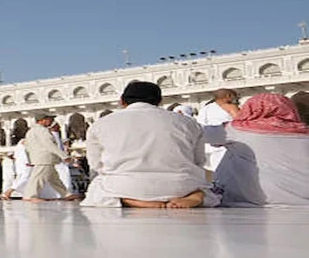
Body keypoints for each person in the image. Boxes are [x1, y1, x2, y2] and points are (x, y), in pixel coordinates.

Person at [83, 82, 220, 208]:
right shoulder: (188, 122)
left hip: (125, 187)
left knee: (98, 187)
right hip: (180, 187)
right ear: (159, 101)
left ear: (122, 101)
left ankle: (130, 200)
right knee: (203, 187)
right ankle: (196, 197)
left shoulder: (101, 124)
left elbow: (96, 165)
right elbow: (199, 161)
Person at [203, 94, 309, 206]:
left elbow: (196, 135)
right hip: (302, 199)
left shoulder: (236, 129)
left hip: (256, 199)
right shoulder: (303, 132)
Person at [23, 114, 79, 202]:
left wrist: (30, 159)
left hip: (39, 158)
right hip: (45, 158)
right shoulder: (42, 130)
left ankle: (66, 194)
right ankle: (30, 196)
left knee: (54, 178)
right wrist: (64, 156)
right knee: (38, 178)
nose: (52, 121)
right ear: (43, 120)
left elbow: (27, 147)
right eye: (50, 119)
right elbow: (49, 144)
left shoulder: (31, 131)